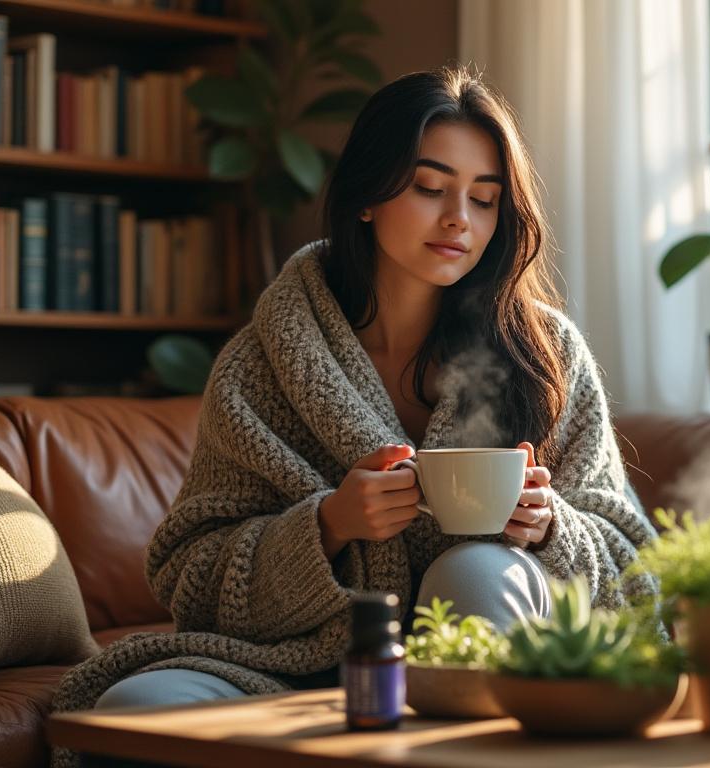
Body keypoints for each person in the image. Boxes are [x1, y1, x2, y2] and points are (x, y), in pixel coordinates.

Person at [50, 65, 657, 735]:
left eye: (484, 200)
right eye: (430, 188)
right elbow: (191, 576)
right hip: (297, 663)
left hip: (487, 653)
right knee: (135, 711)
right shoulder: (263, 364)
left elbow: (636, 569)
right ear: (367, 195)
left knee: (477, 571)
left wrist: (550, 530)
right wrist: (327, 525)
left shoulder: (544, 355)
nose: (459, 218)